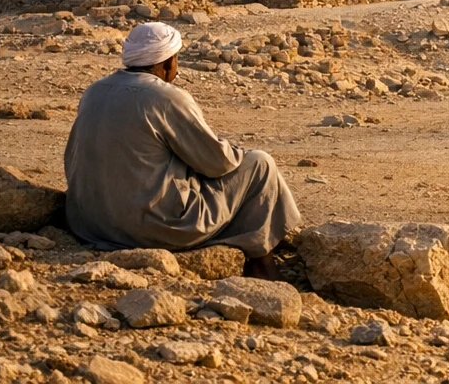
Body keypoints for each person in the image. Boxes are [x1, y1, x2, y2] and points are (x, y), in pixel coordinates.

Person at [63, 22, 301, 280]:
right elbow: (216, 163)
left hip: (90, 223)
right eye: (176, 61)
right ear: (167, 63)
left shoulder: (95, 90)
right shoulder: (165, 97)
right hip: (149, 227)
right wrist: (236, 152)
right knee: (259, 164)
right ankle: (261, 263)